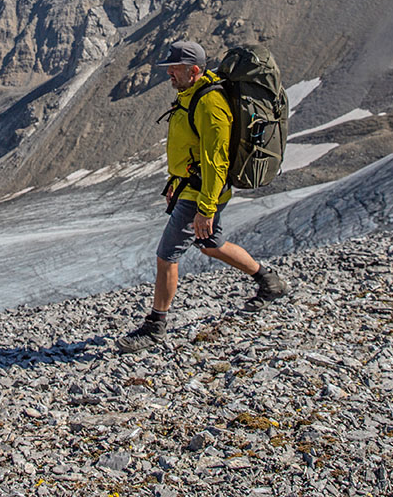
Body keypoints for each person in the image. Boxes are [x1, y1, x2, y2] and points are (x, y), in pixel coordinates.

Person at [118, 40, 288, 353]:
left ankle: (156, 326)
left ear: (194, 71)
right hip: (192, 187)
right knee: (212, 245)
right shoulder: (191, 94)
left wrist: (205, 208)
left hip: (201, 195)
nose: (169, 73)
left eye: (175, 68)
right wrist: (175, 181)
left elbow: (216, 159)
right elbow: (192, 150)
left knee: (166, 256)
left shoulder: (210, 104)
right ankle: (269, 282)